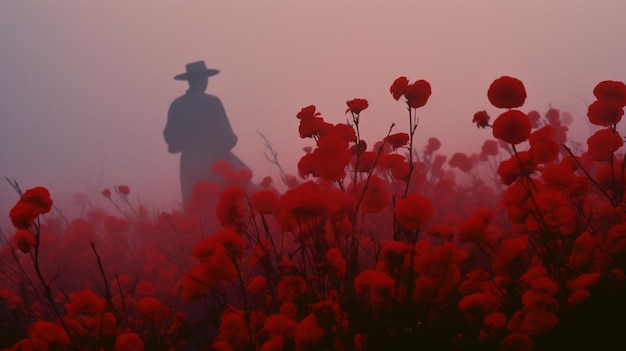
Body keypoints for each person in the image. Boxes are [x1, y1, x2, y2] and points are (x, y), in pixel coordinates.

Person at [164, 61, 247, 203]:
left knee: (197, 208)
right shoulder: (212, 102)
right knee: (231, 199)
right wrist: (232, 139)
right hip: (216, 163)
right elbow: (227, 138)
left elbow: (170, 139)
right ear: (204, 79)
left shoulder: (177, 104)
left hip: (189, 165)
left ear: (189, 81)